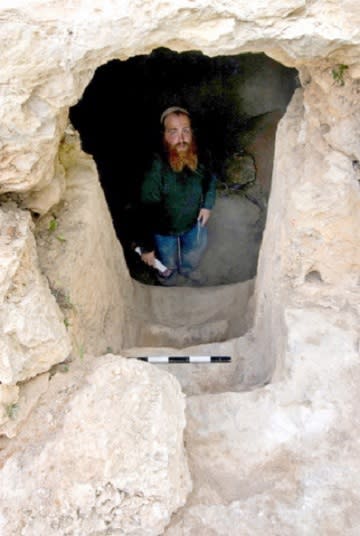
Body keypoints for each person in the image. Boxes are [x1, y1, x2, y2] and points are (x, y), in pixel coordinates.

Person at [139, 106, 217, 285]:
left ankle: (189, 269)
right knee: (168, 258)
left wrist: (207, 205)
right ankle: (169, 275)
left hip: (194, 223)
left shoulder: (201, 155)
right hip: (164, 230)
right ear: (164, 135)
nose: (181, 139)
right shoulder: (155, 168)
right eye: (173, 132)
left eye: (185, 131)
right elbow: (145, 209)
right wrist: (147, 247)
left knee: (195, 251)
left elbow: (211, 180)